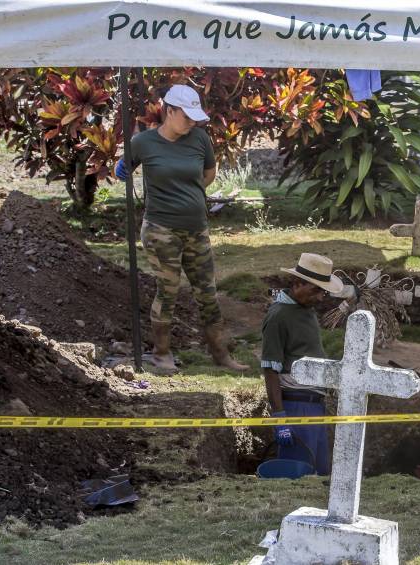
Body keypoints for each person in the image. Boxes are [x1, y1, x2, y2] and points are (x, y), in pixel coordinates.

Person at [115, 84, 247, 373]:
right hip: (161, 230)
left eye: (194, 117)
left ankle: (220, 353)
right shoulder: (144, 142)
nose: (191, 122)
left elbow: (209, 173)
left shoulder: (200, 139)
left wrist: (189, 193)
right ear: (169, 111)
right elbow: (126, 165)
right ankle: (162, 354)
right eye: (185, 116)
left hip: (196, 229)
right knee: (168, 291)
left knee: (208, 292)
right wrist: (120, 167)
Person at [260, 253, 344, 475]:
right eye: (315, 290)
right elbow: (270, 369)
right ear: (297, 284)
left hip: (315, 405)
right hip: (296, 405)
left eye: (323, 291)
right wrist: (279, 417)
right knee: (297, 475)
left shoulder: (305, 310)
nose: (320, 297)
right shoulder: (279, 316)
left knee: (319, 473)